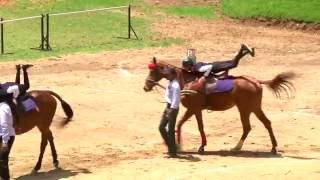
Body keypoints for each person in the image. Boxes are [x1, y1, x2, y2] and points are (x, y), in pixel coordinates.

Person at [0, 64, 32, 180]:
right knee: (22, 87)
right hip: (12, 89)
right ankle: (21, 69)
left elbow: (24, 86)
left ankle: (23, 69)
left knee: (26, 86)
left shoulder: (5, 100)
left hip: (12, 90)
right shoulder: (8, 90)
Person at [181, 44, 254, 93]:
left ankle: (243, 49)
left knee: (233, 64)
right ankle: (246, 51)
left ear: (190, 65)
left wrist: (204, 77)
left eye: (186, 65)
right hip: (215, 65)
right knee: (233, 62)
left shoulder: (197, 68)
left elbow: (209, 67)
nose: (185, 67)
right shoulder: (196, 66)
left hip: (215, 67)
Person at [159, 67, 180, 158]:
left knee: (170, 130)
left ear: (173, 75)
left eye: (168, 74)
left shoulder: (175, 86)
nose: (166, 75)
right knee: (161, 127)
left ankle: (173, 152)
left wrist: (171, 110)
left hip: (172, 109)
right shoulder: (170, 83)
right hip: (168, 107)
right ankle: (172, 147)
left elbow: (175, 99)